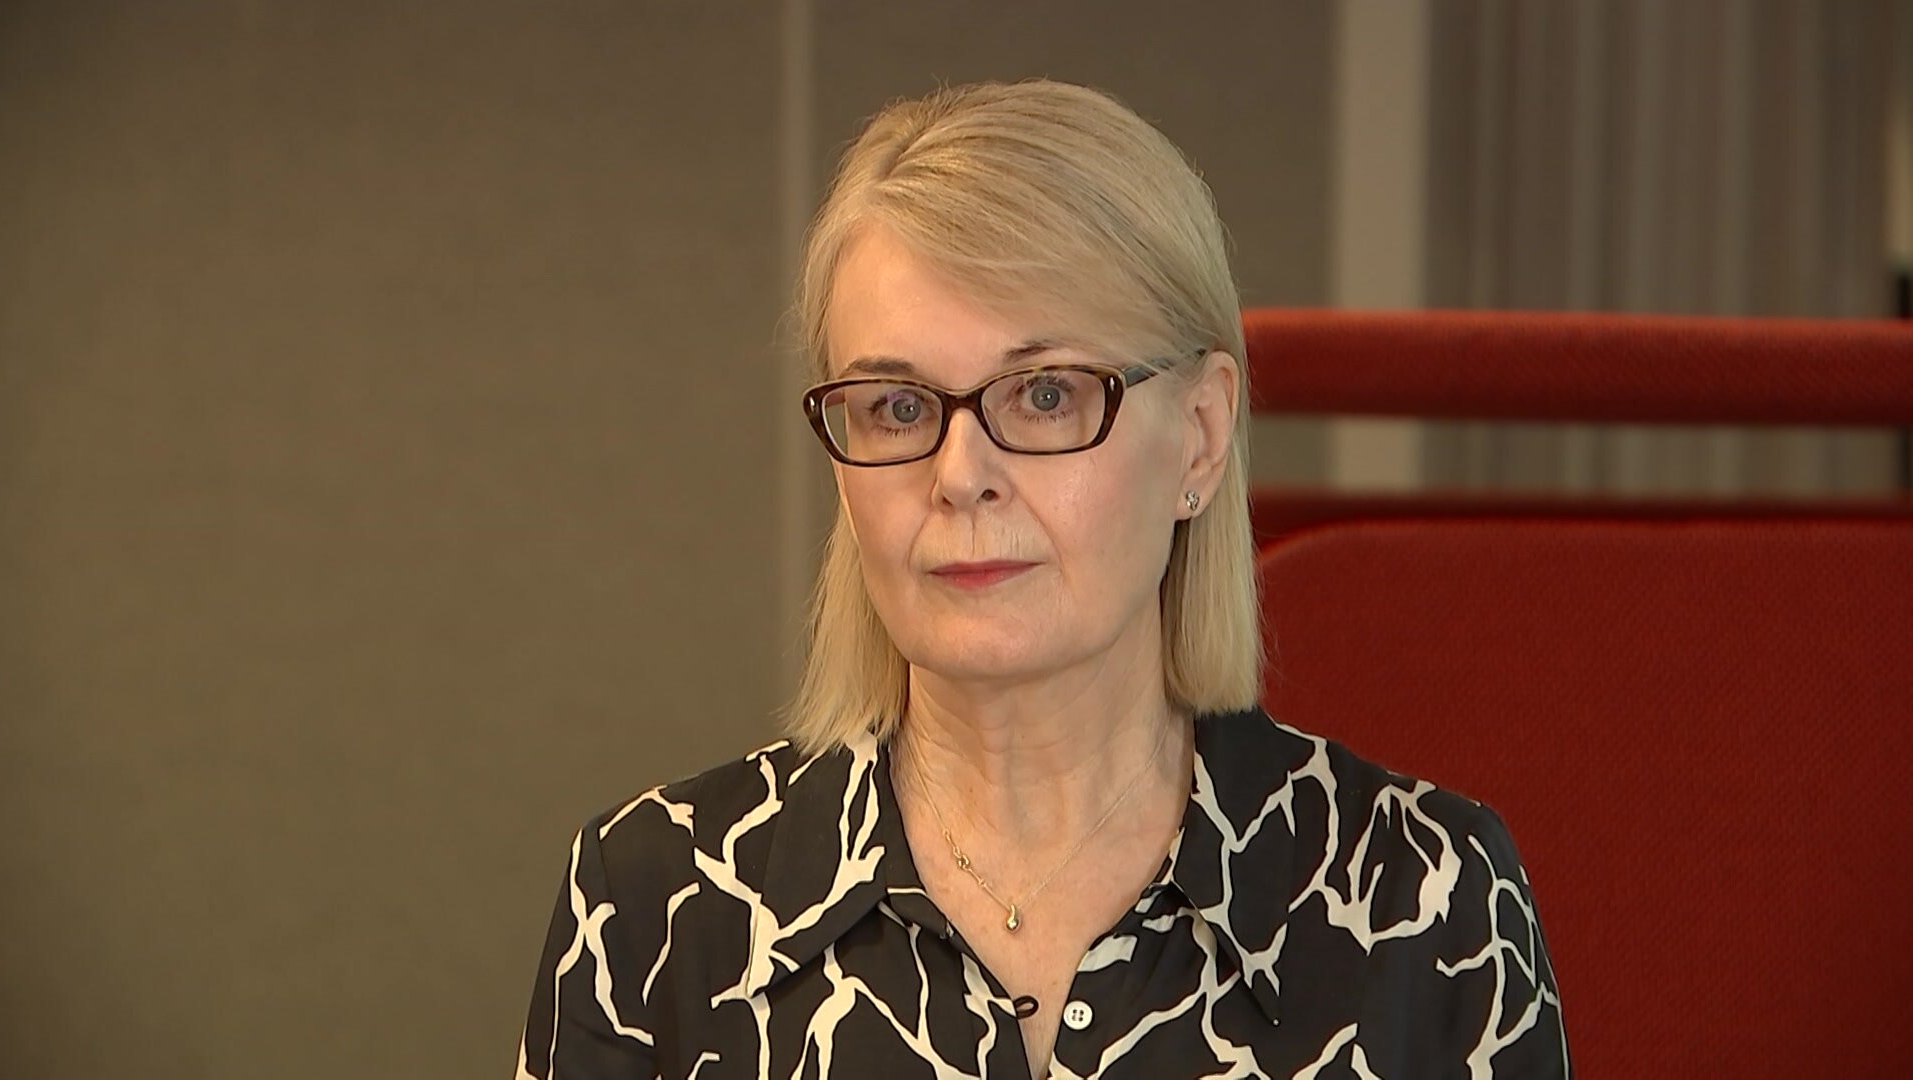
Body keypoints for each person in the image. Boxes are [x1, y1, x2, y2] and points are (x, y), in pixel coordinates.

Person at [517, 79, 1568, 1079]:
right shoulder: (650, 907)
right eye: (896, 408)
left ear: (1201, 436)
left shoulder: (1428, 900)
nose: (959, 475)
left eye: (1046, 395)